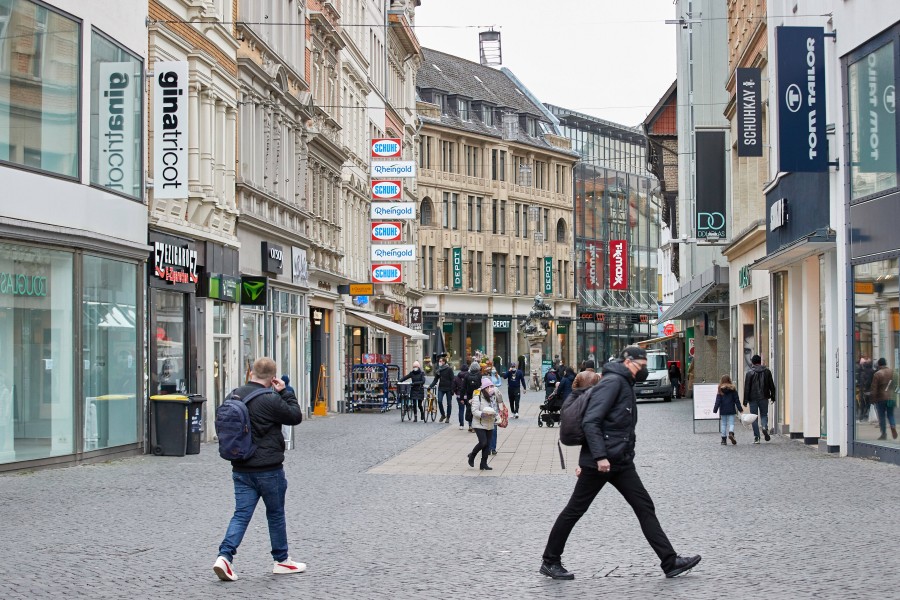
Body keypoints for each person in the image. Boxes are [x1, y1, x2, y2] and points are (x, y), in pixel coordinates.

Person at [540, 346, 701, 581]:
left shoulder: (623, 383)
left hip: (621, 462)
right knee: (574, 510)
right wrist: (599, 457)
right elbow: (591, 421)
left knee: (644, 506)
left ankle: (670, 561)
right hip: (602, 462)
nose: (644, 368)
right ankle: (550, 560)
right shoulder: (613, 382)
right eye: (641, 364)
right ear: (628, 362)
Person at [214, 357, 305, 582]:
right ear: (273, 377)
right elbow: (295, 416)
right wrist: (286, 391)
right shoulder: (271, 399)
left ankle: (224, 557)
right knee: (275, 514)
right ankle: (282, 560)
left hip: (241, 467)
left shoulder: (234, 395)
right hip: (268, 469)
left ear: (251, 373)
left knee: (241, 514)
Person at [467, 377, 500, 470]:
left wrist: (496, 417)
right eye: (488, 387)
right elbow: (474, 411)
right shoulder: (478, 396)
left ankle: (483, 463)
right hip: (479, 423)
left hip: (490, 423)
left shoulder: (493, 396)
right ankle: (472, 456)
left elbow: (495, 408)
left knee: (488, 445)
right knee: (483, 442)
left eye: (491, 386)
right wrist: (483, 415)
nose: (490, 388)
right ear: (484, 388)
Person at [743, 354, 776, 444]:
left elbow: (747, 388)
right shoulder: (767, 371)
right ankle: (764, 427)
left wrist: (745, 400)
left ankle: (757, 437)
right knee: (764, 414)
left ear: (753, 362)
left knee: (753, 417)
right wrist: (773, 396)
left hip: (752, 398)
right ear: (760, 361)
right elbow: (771, 385)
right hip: (764, 397)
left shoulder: (749, 373)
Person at [870, 358, 897, 440]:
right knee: (890, 414)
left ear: (879, 364)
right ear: (886, 363)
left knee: (881, 416)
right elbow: (895, 385)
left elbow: (874, 388)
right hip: (891, 397)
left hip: (881, 398)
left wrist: (873, 399)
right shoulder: (893, 372)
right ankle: (892, 426)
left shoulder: (877, 374)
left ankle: (883, 434)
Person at [713, 374, 742, 445]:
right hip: (731, 409)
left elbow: (718, 400)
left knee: (723, 424)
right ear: (729, 380)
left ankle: (723, 439)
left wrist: (715, 409)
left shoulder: (720, 389)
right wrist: (740, 409)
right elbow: (736, 400)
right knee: (731, 423)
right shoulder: (733, 389)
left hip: (723, 409)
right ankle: (731, 432)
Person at [429, 356, 455, 424]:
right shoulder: (438, 370)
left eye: (441, 361)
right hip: (441, 388)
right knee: (439, 401)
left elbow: (453, 379)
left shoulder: (449, 369)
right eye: (439, 361)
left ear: (444, 362)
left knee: (449, 404)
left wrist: (453, 389)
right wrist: (430, 386)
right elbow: (435, 380)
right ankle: (443, 415)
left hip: (449, 388)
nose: (439, 363)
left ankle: (448, 417)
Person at [463, 360, 483, 432]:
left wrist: (462, 397)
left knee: (469, 409)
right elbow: (482, 385)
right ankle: (475, 426)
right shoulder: (479, 375)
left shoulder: (467, 375)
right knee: (476, 409)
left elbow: (463, 387)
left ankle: (470, 425)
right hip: (477, 395)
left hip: (469, 395)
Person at [857, 357, 875, 422]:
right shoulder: (872, 372)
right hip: (869, 390)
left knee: (863, 403)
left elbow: (862, 381)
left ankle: (862, 416)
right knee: (868, 403)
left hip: (864, 390)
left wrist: (862, 388)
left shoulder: (863, 372)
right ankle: (866, 415)